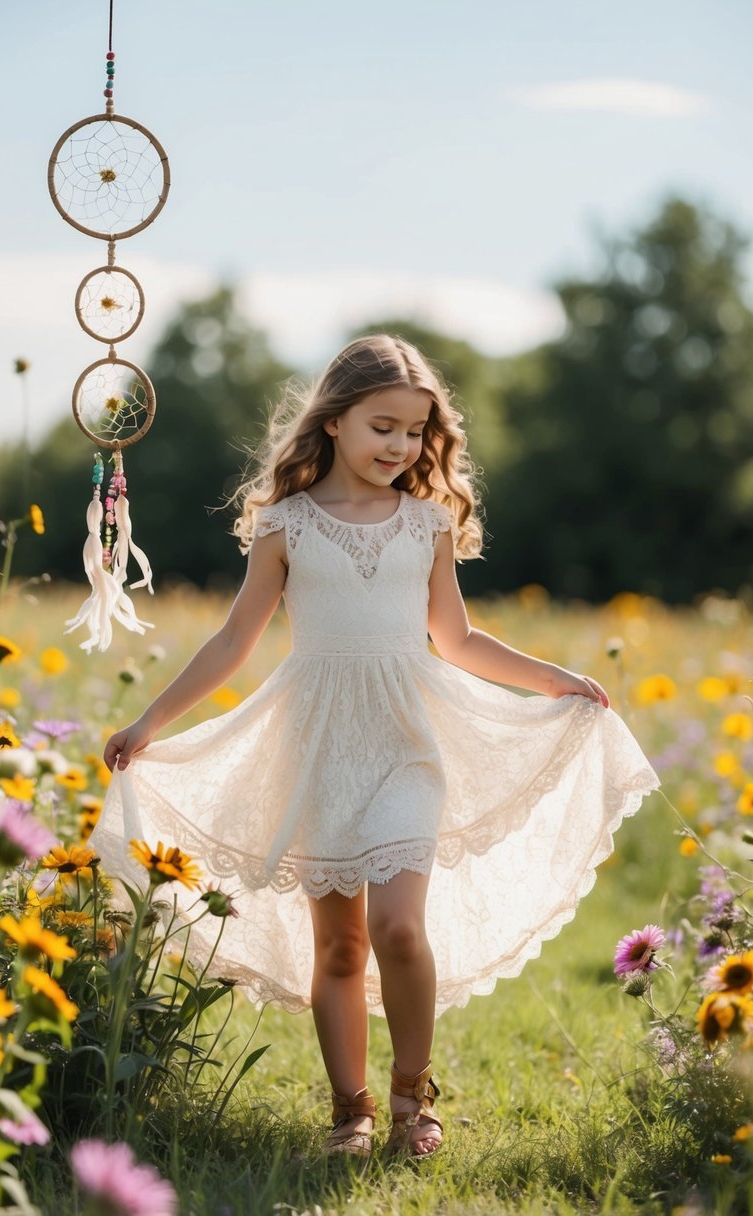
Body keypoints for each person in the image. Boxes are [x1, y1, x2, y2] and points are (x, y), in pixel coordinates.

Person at [95, 334, 659, 1159]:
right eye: (382, 427)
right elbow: (232, 642)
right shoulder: (284, 526)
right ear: (333, 422)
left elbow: (457, 639)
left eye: (414, 433)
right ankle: (349, 1110)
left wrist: (553, 680)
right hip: (316, 743)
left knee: (397, 928)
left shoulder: (426, 523)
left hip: (407, 742)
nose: (399, 447)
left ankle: (410, 1099)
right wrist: (148, 723)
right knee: (339, 945)